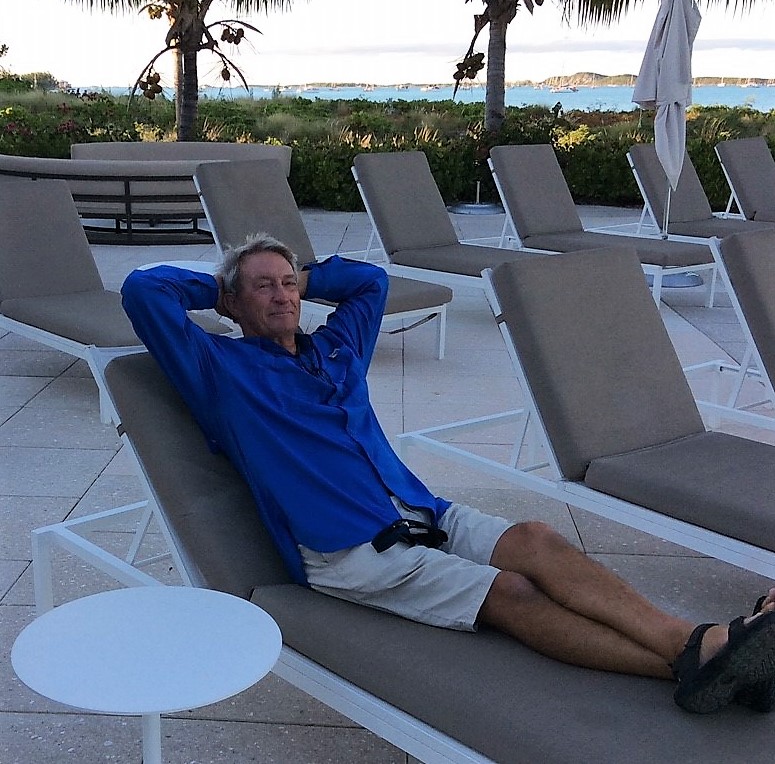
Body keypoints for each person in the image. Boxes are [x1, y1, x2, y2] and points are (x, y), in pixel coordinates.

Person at [121, 232, 775, 715]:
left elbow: (369, 283)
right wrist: (222, 288)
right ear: (232, 305)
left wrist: (301, 275)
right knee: (512, 593)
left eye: (288, 283)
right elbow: (143, 292)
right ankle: (701, 653)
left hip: (420, 510)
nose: (282, 295)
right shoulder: (216, 368)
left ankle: (704, 654)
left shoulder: (337, 349)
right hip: (351, 550)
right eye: (262, 286)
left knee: (536, 537)